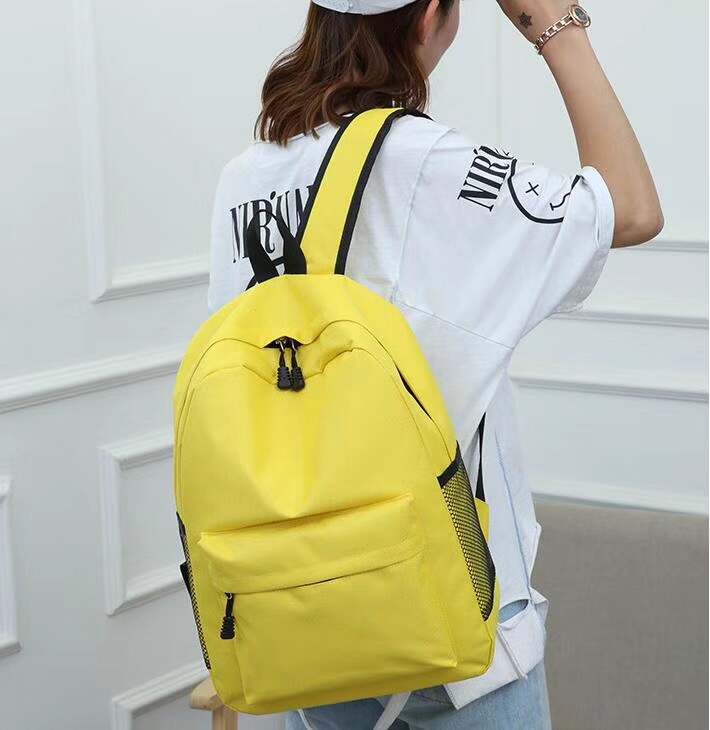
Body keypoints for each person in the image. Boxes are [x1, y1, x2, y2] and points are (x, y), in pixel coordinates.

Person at [206, 1, 664, 728]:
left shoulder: (246, 175)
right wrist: (556, 25)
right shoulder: (423, 162)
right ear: (429, 20)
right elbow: (633, 208)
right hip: (451, 617)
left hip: (299, 604)